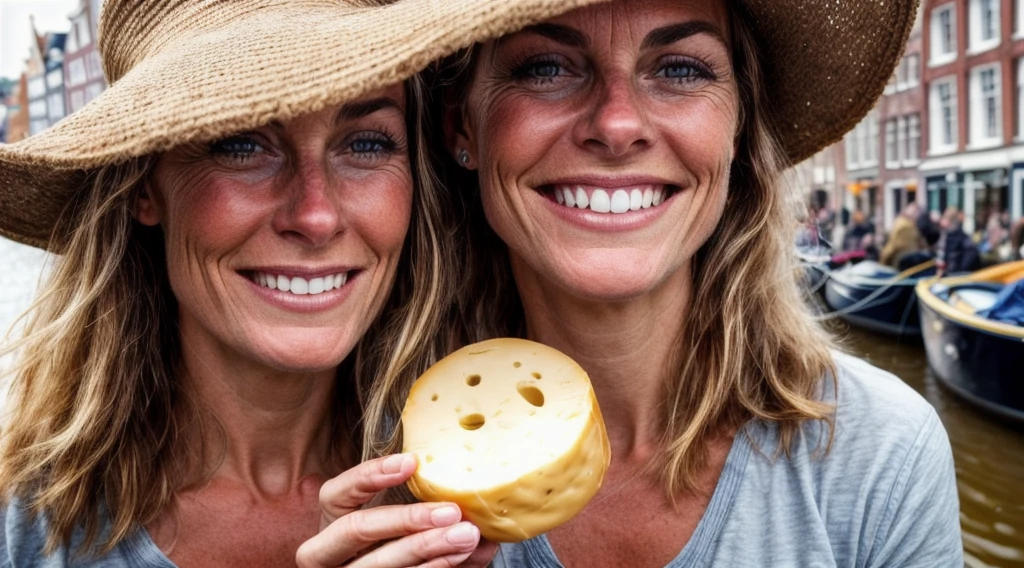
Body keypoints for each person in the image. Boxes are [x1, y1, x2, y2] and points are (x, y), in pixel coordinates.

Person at [0, 0, 601, 565]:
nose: (316, 216)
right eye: (242, 144)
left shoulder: (504, 497)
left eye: (365, 144)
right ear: (144, 186)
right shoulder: (25, 530)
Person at [364, 0, 963, 566]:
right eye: (547, 68)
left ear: (737, 129)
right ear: (462, 126)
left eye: (679, 70)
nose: (617, 124)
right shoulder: (375, 456)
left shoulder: (883, 454)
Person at [937, 207, 980, 275]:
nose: (941, 221)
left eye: (944, 218)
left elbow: (971, 255)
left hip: (956, 276)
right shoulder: (947, 236)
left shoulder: (959, 238)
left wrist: (959, 271)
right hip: (950, 275)